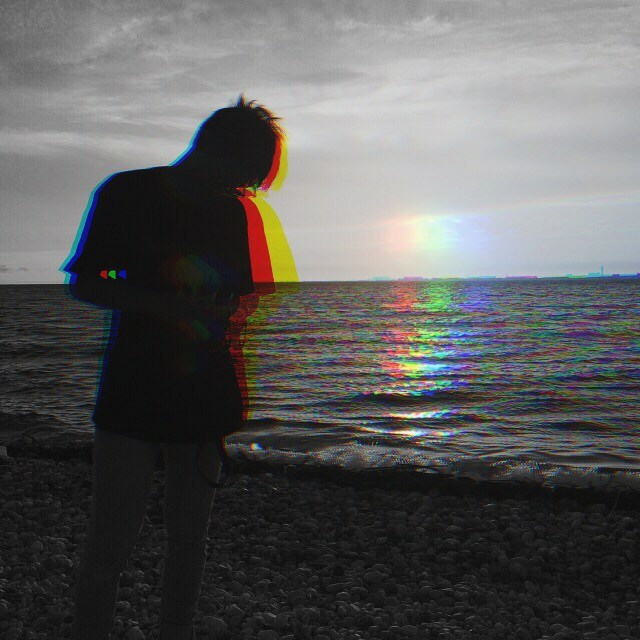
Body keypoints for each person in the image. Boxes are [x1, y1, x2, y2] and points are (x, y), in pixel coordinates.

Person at [62, 96, 284, 640]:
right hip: (132, 389)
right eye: (243, 176)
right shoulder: (126, 192)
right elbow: (85, 283)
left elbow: (237, 298)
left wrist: (221, 329)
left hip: (203, 392)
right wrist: (170, 308)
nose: (245, 190)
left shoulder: (233, 212)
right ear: (216, 151)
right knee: (110, 542)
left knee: (189, 536)